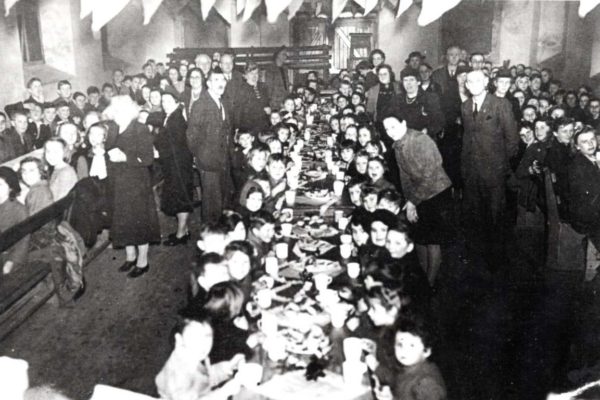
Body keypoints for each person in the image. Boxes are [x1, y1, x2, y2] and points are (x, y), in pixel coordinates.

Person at [384, 115, 453, 286]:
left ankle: (429, 286)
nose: (390, 132)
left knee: (432, 241)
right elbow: (405, 177)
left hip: (437, 192)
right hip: (419, 193)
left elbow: (431, 174)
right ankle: (422, 279)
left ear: (404, 122)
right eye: (386, 129)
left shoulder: (421, 140)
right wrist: (409, 203)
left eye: (393, 126)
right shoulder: (397, 145)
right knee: (419, 237)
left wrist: (413, 201)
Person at [461, 70, 518, 270]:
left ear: (486, 82)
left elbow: (512, 142)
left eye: (478, 80)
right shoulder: (466, 106)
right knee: (474, 217)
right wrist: (465, 169)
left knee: (495, 218)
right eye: (470, 81)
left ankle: (497, 262)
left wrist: (499, 168)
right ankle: (477, 261)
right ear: (466, 85)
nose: (473, 84)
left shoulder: (501, 104)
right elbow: (468, 139)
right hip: (471, 173)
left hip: (494, 174)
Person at [104, 95, 160, 278]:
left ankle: (142, 261)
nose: (118, 114)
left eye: (122, 110)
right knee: (124, 220)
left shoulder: (140, 129)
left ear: (130, 111)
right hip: (118, 183)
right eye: (116, 110)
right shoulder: (112, 128)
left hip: (137, 183)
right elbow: (108, 149)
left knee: (139, 221)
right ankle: (130, 256)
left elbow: (147, 159)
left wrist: (125, 158)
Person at [155, 318, 245, 400]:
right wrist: (224, 392)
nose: (204, 344)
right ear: (179, 339)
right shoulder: (177, 375)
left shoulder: (192, 355)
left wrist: (227, 367)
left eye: (208, 336)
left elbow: (204, 380)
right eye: (195, 337)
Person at [187, 67, 233, 223]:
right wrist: (201, 157)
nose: (220, 83)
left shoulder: (222, 102)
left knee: (220, 201)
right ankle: (210, 238)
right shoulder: (201, 104)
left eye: (222, 80)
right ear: (208, 83)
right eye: (216, 80)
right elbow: (191, 136)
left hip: (222, 160)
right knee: (211, 205)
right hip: (208, 162)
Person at [149, 91, 194, 246]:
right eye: (163, 101)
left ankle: (181, 234)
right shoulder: (170, 117)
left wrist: (158, 152)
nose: (165, 104)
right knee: (179, 196)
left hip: (178, 165)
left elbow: (174, 145)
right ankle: (184, 230)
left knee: (181, 198)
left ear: (176, 102)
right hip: (175, 164)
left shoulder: (176, 118)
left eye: (168, 100)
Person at [372, 315, 447, 400]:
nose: (404, 350)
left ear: (426, 351)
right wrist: (376, 367)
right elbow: (393, 376)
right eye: (400, 344)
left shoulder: (427, 383)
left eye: (411, 345)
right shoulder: (408, 365)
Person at [568, 127, 600, 251]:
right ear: (577, 146)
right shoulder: (578, 166)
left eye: (592, 139)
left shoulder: (591, 159)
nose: (591, 144)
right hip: (588, 217)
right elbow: (593, 194)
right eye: (585, 142)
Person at [0, 167, 29, 275]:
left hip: (8, 256)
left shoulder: (19, 210)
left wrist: (11, 262)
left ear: (11, 188)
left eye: (0, 185)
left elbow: (24, 241)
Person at [233, 62, 270, 133]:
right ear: (245, 76)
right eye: (251, 73)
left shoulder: (263, 87)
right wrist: (237, 128)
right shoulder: (241, 90)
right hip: (249, 127)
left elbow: (266, 103)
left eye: (256, 73)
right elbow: (237, 111)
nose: (254, 76)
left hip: (264, 126)